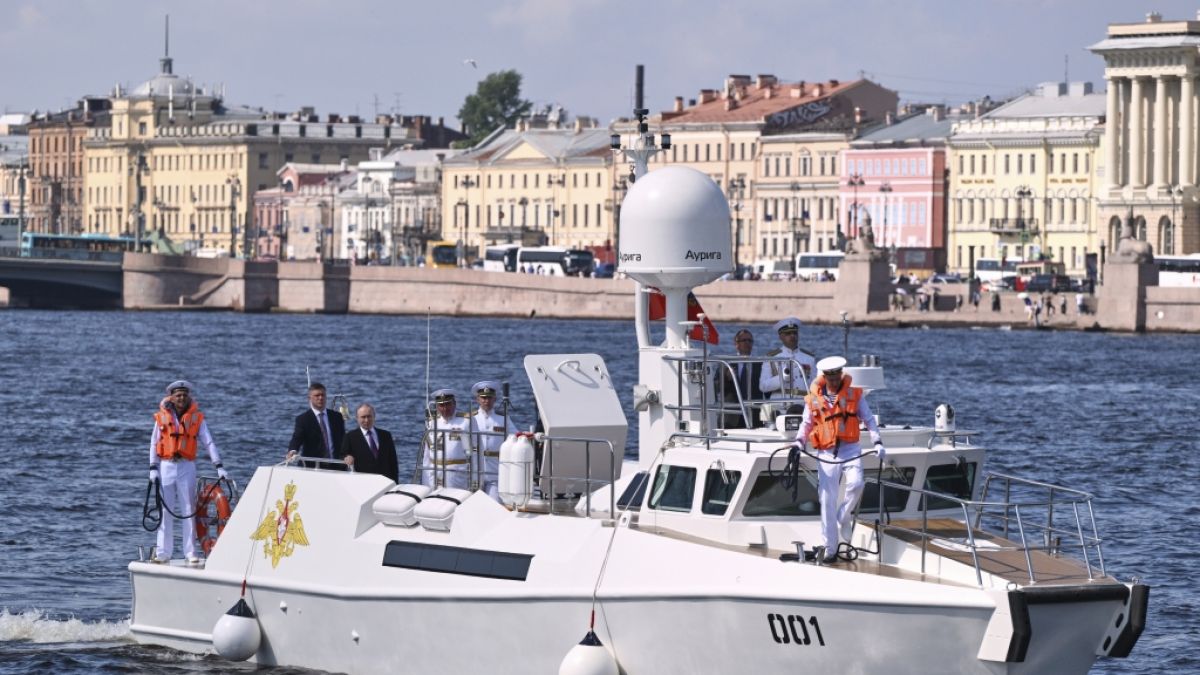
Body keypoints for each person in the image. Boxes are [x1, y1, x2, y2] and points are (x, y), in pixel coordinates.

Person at [794, 357, 884, 564]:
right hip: (826, 453)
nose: (834, 381)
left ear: (841, 375)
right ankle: (830, 549)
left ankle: (843, 515)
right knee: (827, 500)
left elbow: (869, 420)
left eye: (837, 376)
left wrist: (877, 442)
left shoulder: (854, 394)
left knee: (857, 484)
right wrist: (798, 442)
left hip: (850, 448)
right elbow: (806, 424)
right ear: (824, 377)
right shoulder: (813, 398)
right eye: (830, 377)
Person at [148, 380, 229, 564]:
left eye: (184, 395)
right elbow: (154, 443)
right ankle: (163, 552)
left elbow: (208, 442)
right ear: (171, 397)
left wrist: (218, 466)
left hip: (187, 466)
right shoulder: (161, 417)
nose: (182, 398)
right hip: (166, 466)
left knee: (189, 509)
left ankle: (190, 551)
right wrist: (153, 467)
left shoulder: (197, 418)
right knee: (165, 511)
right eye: (178, 395)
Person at [470, 381, 518, 499]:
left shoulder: (503, 418)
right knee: (473, 503)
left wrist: (527, 436)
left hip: (495, 471)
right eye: (483, 398)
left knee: (494, 502)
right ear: (477, 399)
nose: (486, 401)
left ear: (495, 399)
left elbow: (515, 436)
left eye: (489, 398)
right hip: (476, 470)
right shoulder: (471, 418)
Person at [422, 389, 475, 490]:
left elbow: (475, 452)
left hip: (457, 477)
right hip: (434, 477)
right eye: (441, 405)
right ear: (437, 406)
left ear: (454, 404)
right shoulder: (432, 423)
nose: (445, 408)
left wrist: (476, 481)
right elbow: (427, 456)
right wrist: (425, 483)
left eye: (448, 404)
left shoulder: (466, 421)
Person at [287, 382, 346, 469]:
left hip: (336, 465)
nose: (320, 398)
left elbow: (344, 440)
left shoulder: (337, 417)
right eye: (317, 395)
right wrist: (293, 450)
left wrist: (348, 454)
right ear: (309, 398)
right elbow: (297, 438)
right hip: (312, 467)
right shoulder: (303, 419)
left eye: (323, 395)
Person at [760, 317, 815, 410]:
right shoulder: (772, 357)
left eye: (795, 333)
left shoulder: (809, 358)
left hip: (803, 404)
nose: (792, 336)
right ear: (780, 336)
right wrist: (782, 378)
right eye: (788, 334)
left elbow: (814, 384)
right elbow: (763, 386)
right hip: (780, 404)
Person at [340, 403, 399, 483]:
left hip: (385, 482)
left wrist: (395, 483)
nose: (366, 420)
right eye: (363, 417)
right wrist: (347, 457)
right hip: (363, 482)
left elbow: (393, 462)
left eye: (369, 416)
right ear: (357, 418)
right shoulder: (350, 437)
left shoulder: (386, 435)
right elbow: (342, 455)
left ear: (374, 416)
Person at [722, 329, 763, 429]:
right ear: (736, 344)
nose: (747, 343)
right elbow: (716, 387)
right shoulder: (726, 364)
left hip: (754, 416)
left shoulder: (760, 364)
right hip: (732, 416)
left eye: (750, 341)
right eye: (744, 340)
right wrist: (726, 378)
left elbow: (766, 390)